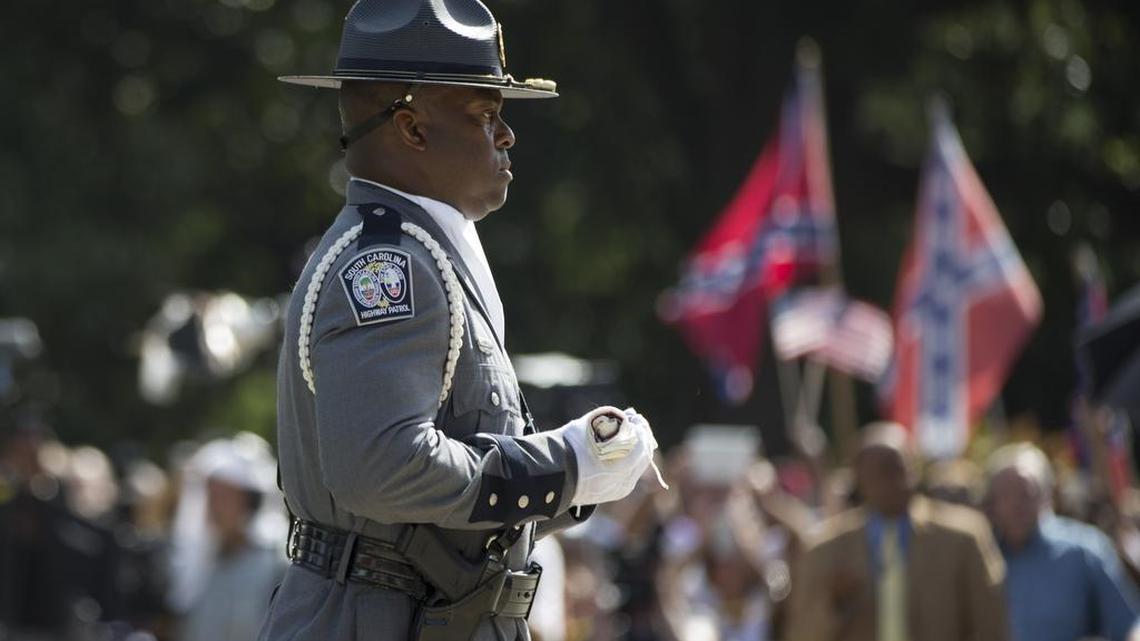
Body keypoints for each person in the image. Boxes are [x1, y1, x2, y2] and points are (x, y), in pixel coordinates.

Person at [259, 2, 658, 640]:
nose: (507, 135)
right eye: (484, 113)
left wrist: (581, 473)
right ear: (413, 129)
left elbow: (432, 516)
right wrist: (562, 466)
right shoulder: (393, 267)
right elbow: (383, 468)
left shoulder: (428, 255)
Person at [785, 422, 1008, 641]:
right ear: (859, 478)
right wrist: (834, 604)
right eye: (880, 471)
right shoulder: (827, 548)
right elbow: (801, 634)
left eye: (898, 466)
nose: (893, 480)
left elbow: (991, 623)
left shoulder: (962, 537)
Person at [984, 443, 1140, 641]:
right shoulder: (982, 557)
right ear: (992, 502)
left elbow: (1128, 624)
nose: (1016, 504)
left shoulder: (1085, 551)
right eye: (1006, 494)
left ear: (1047, 494)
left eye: (1025, 492)